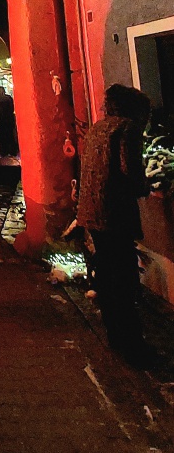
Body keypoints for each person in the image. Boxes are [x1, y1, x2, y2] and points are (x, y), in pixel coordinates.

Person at [75, 84, 155, 369]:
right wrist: (147, 186)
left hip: (92, 211)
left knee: (108, 275)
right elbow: (129, 171)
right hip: (114, 212)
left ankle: (115, 335)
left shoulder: (99, 128)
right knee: (123, 277)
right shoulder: (128, 129)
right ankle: (133, 345)